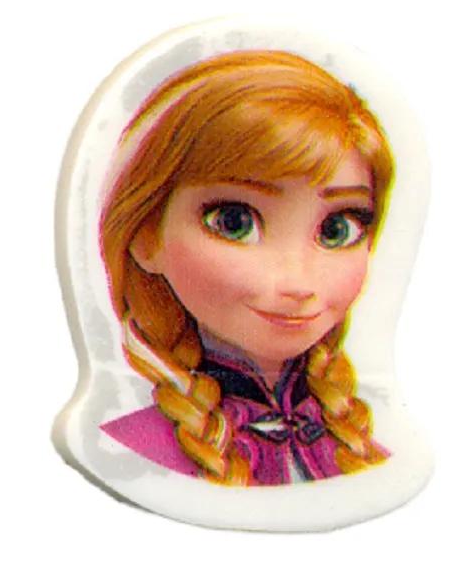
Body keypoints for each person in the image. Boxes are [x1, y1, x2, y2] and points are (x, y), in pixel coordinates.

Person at [98, 50, 394, 486]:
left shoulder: (366, 453)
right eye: (234, 222)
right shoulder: (127, 456)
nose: (298, 282)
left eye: (337, 230)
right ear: (147, 236)